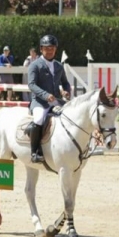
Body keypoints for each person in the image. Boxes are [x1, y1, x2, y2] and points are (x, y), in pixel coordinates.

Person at [27, 35, 71, 163]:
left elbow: (65, 82)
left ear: (55, 49)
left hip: (56, 100)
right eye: (47, 48)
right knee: (39, 118)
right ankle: (34, 152)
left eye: (52, 48)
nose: (50, 50)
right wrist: (46, 95)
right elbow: (32, 85)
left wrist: (67, 91)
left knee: (71, 116)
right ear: (41, 49)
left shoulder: (58, 66)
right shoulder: (35, 65)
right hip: (39, 102)